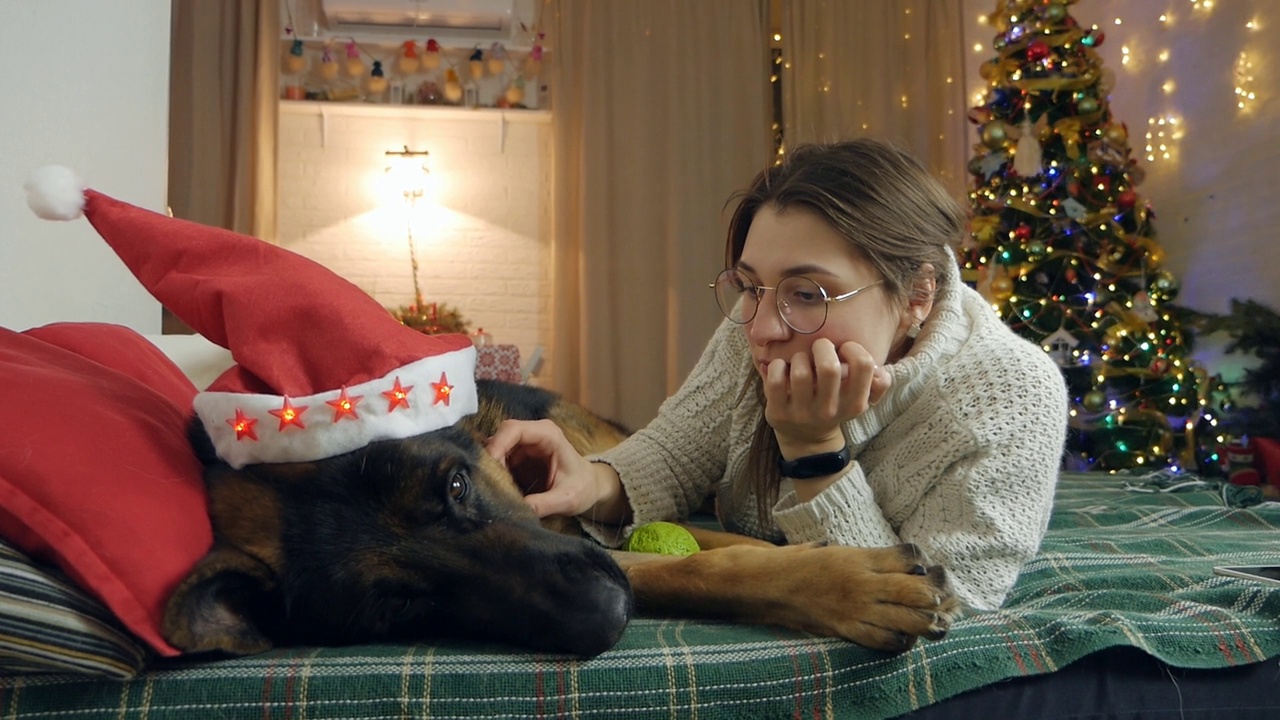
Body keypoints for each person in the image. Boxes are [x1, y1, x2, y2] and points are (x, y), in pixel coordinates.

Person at [486, 139, 1068, 611]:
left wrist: (815, 454)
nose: (761, 327)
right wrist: (591, 481)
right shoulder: (763, 316)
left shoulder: (1012, 395)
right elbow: (676, 453)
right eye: (750, 285)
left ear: (918, 293)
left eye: (807, 292)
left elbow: (940, 607)